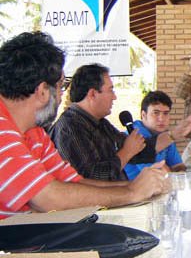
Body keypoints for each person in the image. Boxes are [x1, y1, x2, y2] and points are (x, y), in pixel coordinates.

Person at [0, 32, 169, 220]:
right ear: (42, 92)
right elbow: (49, 199)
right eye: (61, 86)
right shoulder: (4, 130)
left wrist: (139, 186)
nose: (62, 95)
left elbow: (74, 183)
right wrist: (132, 192)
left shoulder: (35, 132)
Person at [51, 64, 160, 181]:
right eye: (110, 90)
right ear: (93, 94)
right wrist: (127, 152)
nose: (114, 97)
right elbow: (91, 179)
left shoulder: (101, 122)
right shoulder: (70, 127)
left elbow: (137, 150)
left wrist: (170, 136)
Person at [124, 90, 191, 180]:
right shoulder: (133, 135)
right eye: (156, 113)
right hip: (131, 187)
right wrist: (172, 171)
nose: (161, 119)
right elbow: (158, 173)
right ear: (144, 115)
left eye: (165, 113)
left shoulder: (165, 135)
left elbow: (179, 166)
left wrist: (175, 171)